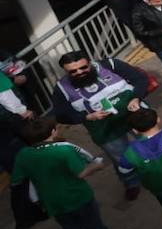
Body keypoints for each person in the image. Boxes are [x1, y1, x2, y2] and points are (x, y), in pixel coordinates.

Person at [12, 117, 136, 229]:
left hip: (51, 201)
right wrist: (97, 166)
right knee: (92, 221)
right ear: (52, 132)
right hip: (77, 196)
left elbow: (17, 179)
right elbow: (81, 173)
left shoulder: (24, 154)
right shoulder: (63, 150)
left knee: (70, 228)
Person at [51, 51, 150, 200]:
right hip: (104, 128)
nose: (79, 72)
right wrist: (86, 116)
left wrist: (136, 98)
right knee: (121, 158)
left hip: (135, 114)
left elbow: (140, 79)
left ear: (89, 63)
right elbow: (62, 115)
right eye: (73, 71)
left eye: (83, 67)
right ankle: (131, 183)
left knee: (151, 143)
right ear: (66, 71)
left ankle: (157, 169)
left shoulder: (111, 65)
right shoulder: (61, 88)